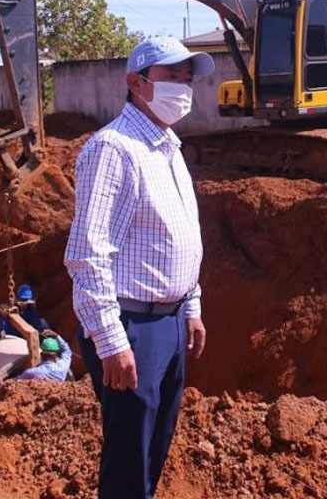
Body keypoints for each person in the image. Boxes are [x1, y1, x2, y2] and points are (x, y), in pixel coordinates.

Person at [65, 36, 210, 499]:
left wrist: (191, 306)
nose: (184, 87)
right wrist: (110, 341)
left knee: (154, 448)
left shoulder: (167, 145)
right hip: (132, 328)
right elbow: (88, 253)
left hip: (168, 323)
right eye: (173, 77)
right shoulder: (114, 149)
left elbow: (180, 234)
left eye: (188, 78)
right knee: (128, 459)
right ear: (136, 82)